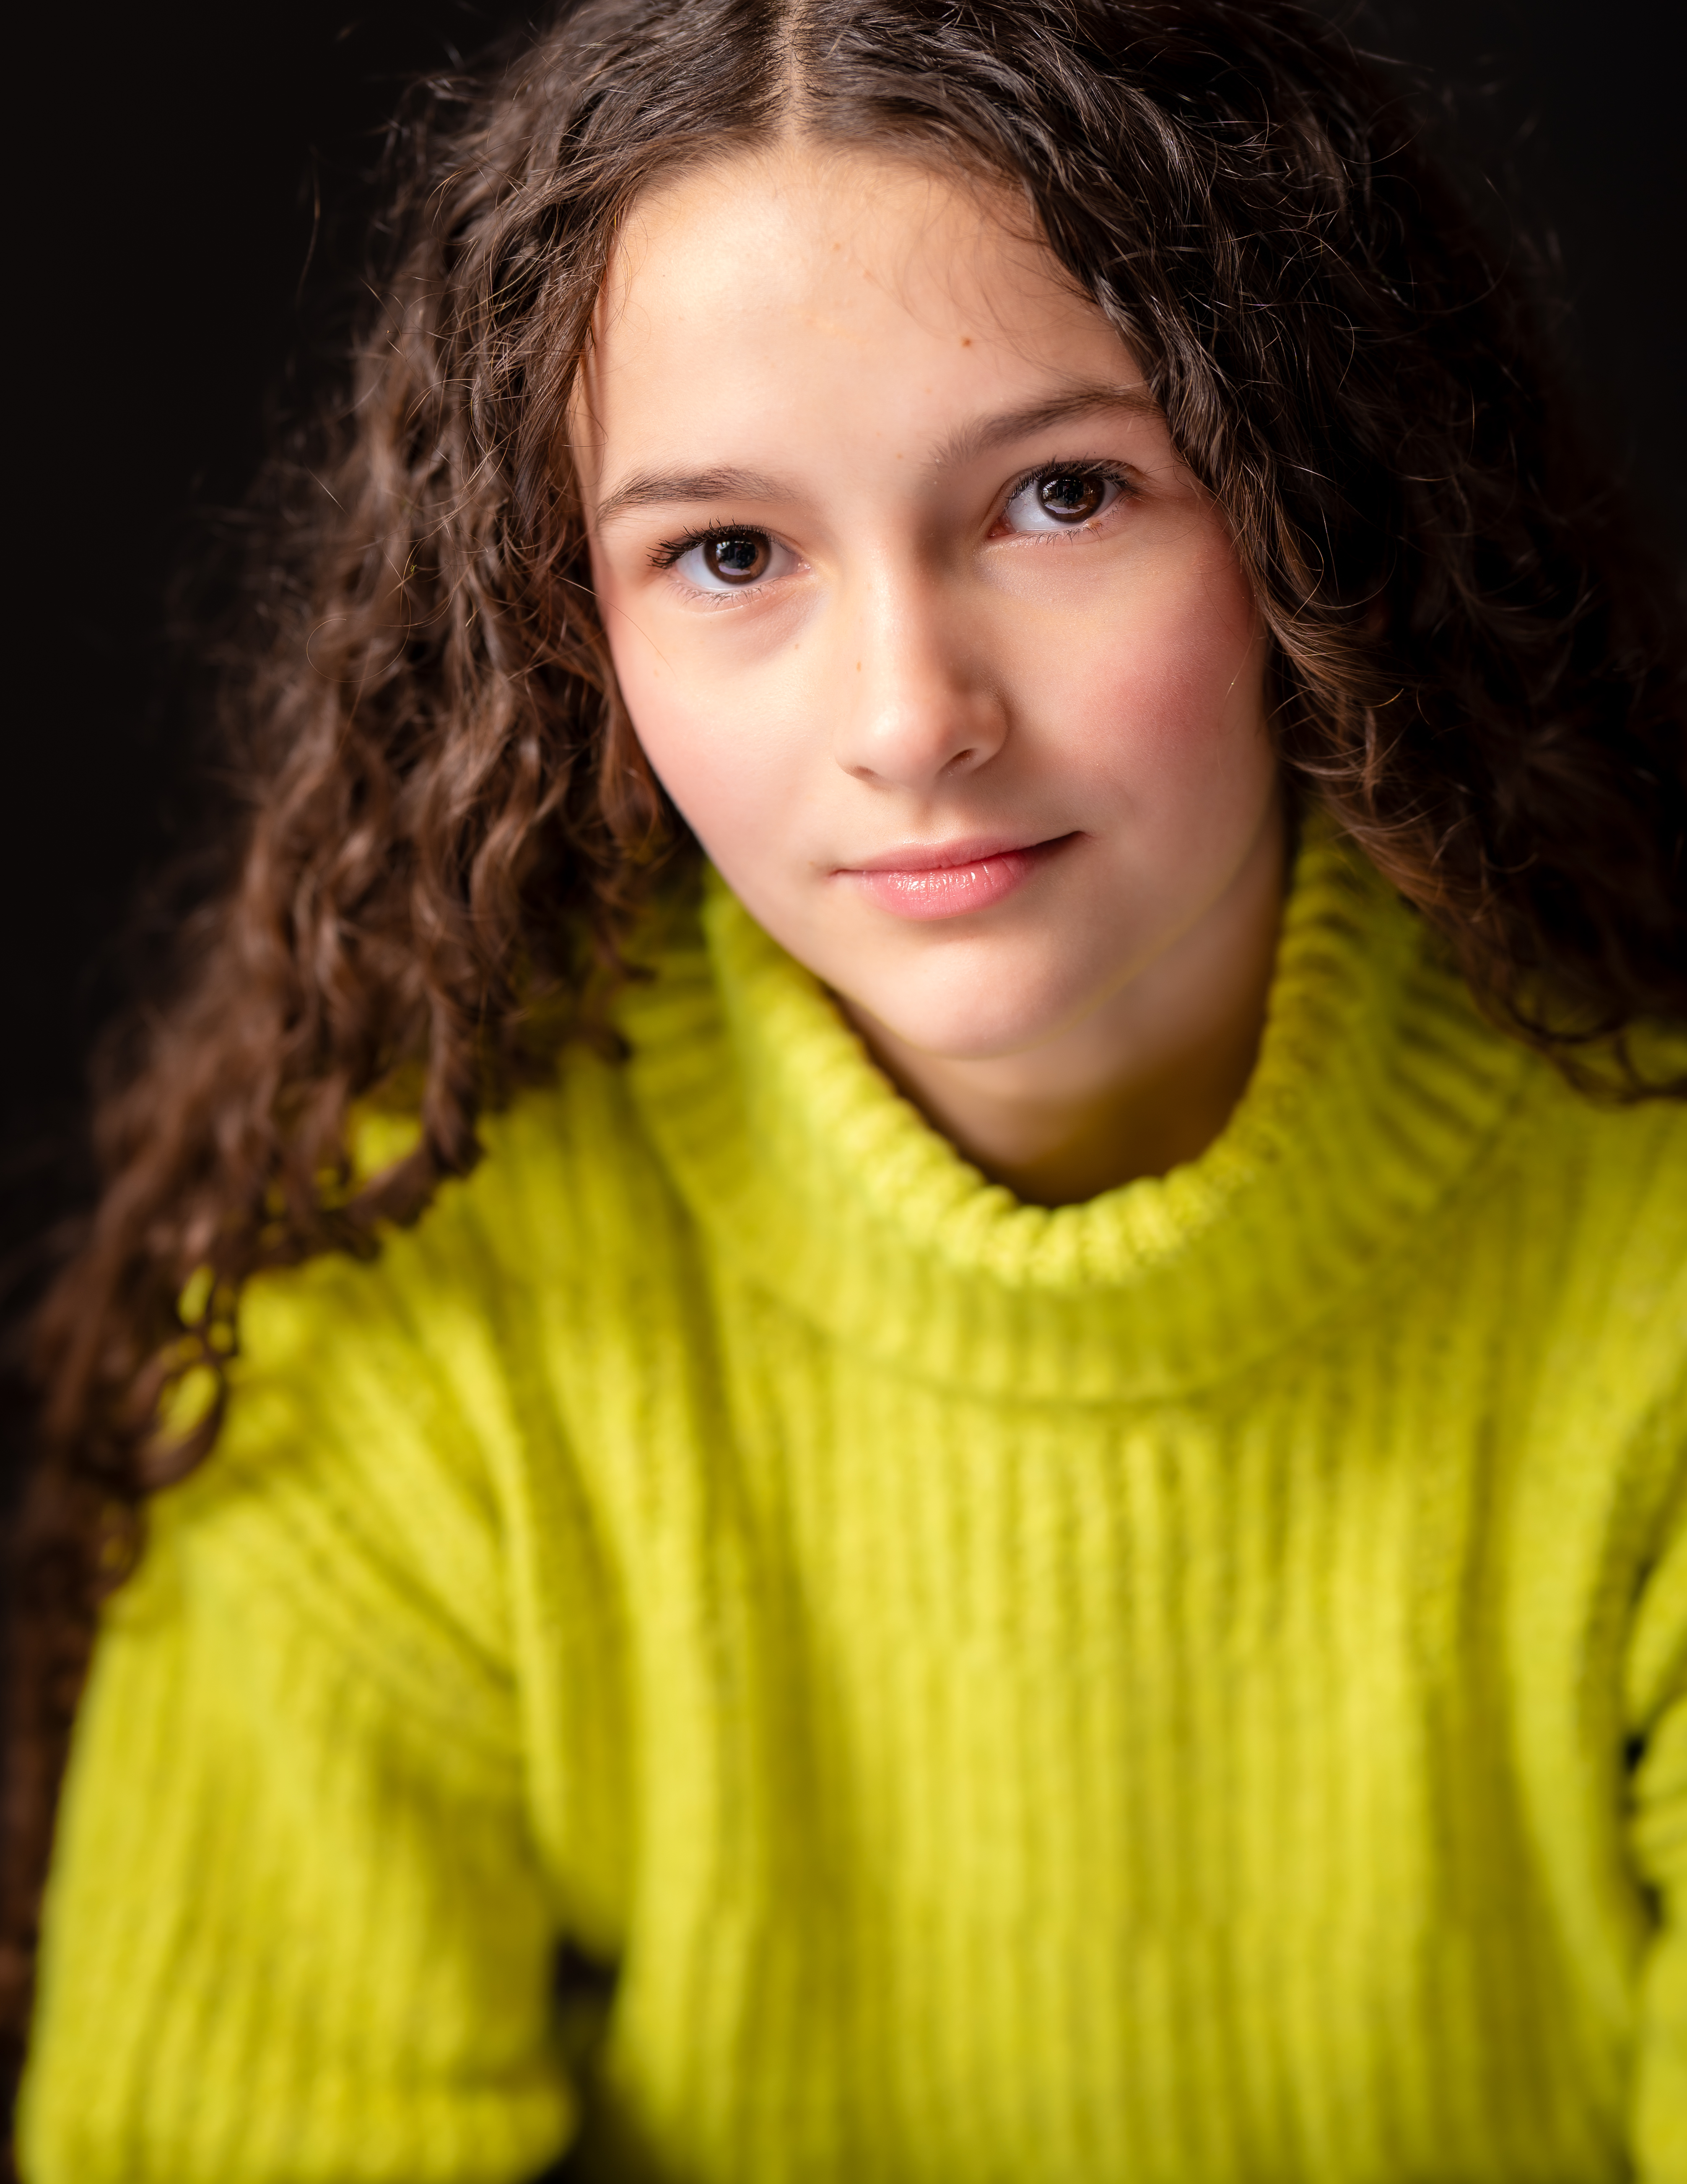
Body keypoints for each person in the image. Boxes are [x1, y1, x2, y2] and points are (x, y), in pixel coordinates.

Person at [10, 0, 1684, 2176]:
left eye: (1060, 495)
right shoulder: (402, 1291)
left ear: (1314, 501)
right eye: (728, 554)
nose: (910, 714)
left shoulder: (1646, 1253)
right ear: (559, 615)